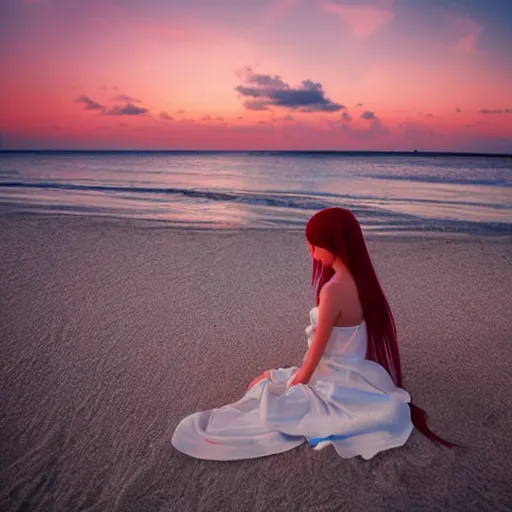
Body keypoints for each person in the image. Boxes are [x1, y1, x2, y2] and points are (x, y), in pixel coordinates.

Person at [172, 207, 463, 461]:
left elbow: (318, 351)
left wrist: (295, 382)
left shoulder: (333, 290)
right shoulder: (362, 282)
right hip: (359, 371)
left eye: (314, 246)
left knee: (263, 394)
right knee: (265, 381)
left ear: (333, 244)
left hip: (331, 375)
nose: (311, 253)